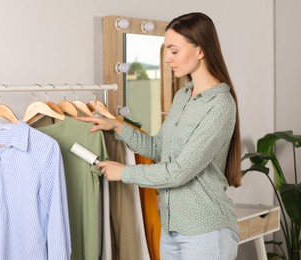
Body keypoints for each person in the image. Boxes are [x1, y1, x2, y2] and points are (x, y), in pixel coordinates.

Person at [77, 12, 242, 260]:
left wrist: (124, 173)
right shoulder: (182, 96)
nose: (167, 59)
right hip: (172, 231)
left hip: (206, 233)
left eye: (174, 51)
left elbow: (179, 171)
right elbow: (159, 149)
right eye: (166, 50)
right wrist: (117, 127)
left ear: (200, 50)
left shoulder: (220, 105)